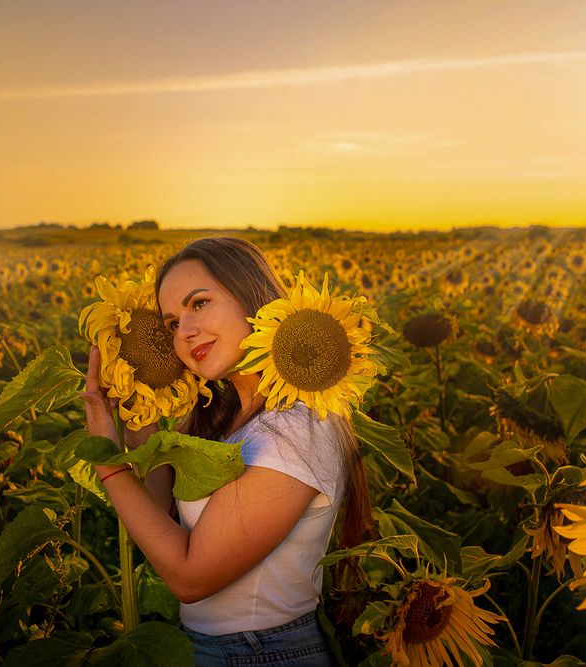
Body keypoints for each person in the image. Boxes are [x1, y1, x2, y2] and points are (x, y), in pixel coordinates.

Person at [82, 237, 373, 666]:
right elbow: (160, 518)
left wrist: (107, 460)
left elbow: (189, 577)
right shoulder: (222, 417)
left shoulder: (298, 427)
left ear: (252, 297)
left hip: (266, 653)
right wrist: (138, 425)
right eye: (170, 323)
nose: (185, 332)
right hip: (217, 647)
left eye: (199, 304)